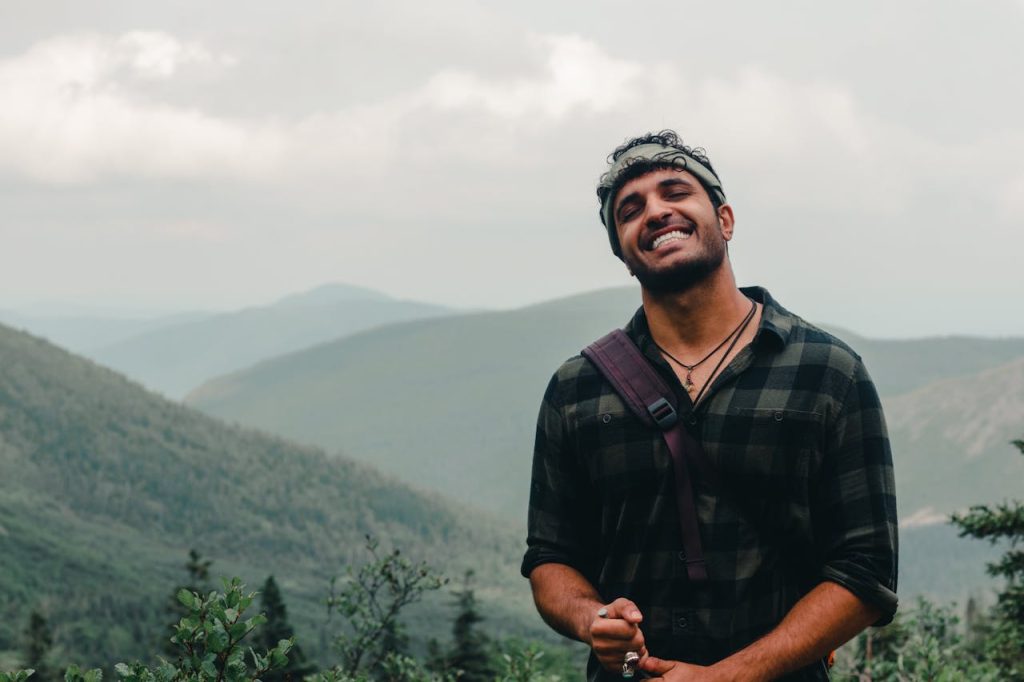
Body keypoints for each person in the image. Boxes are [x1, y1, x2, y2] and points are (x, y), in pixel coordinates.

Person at [521, 130, 898, 681]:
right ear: (625, 253)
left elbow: (866, 571)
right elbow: (550, 557)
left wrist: (726, 677)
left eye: (675, 192)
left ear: (724, 220)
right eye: (630, 210)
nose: (655, 211)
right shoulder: (577, 388)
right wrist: (592, 617)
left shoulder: (827, 373)